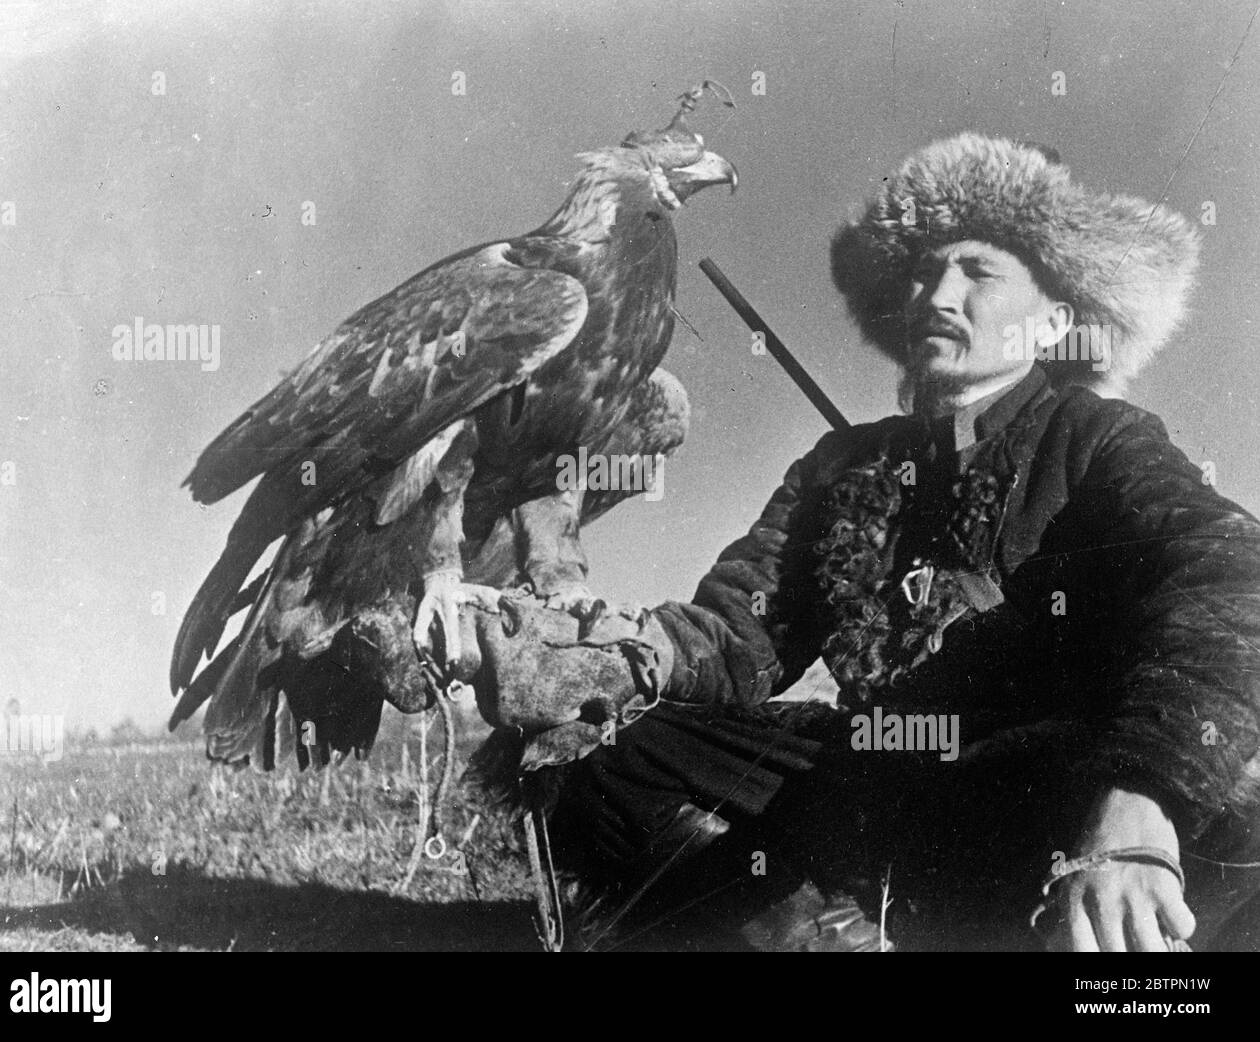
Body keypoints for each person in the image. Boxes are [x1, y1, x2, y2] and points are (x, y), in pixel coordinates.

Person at [466, 133, 1260, 952]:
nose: (936, 293)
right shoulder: (841, 464)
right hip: (871, 773)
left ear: (1055, 320)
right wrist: (622, 658)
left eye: (978, 272)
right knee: (609, 738)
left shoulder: (1099, 438)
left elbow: (1232, 575)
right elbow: (741, 636)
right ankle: (816, 930)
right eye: (922, 272)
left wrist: (1142, 795)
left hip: (1039, 790)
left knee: (1243, 840)